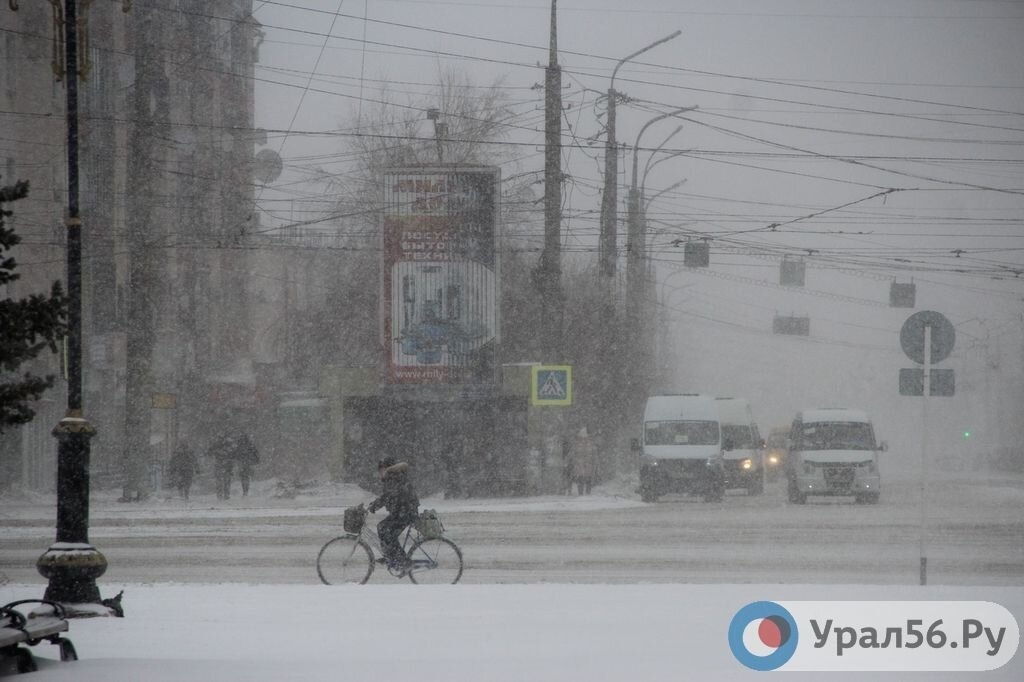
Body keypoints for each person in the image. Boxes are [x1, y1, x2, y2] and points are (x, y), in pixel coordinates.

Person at [367, 457, 420, 573]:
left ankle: (404, 562)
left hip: (405, 512)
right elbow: (389, 495)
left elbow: (388, 496)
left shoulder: (392, 477)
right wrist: (375, 504)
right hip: (403, 511)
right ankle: (390, 556)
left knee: (387, 532)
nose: (379, 473)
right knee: (383, 528)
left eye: (380, 470)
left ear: (385, 469)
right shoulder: (394, 476)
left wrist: (375, 506)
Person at [570, 426, 597, 495]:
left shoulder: (590, 443)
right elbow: (573, 453)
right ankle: (581, 494)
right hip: (580, 464)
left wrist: (595, 462)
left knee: (588, 478)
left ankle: (587, 493)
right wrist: (574, 461)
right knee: (581, 479)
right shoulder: (577, 444)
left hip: (587, 464)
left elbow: (594, 454)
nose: (583, 438)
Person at [208, 432, 235, 500]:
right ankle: (226, 494)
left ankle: (220, 494)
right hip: (226, 464)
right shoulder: (228, 444)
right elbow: (233, 454)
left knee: (220, 480)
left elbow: (209, 452)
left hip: (220, 463)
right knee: (226, 480)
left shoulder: (216, 444)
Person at [234, 433, 260, 497]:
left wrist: (236, 460)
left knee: (243, 477)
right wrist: (256, 461)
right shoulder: (250, 445)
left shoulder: (239, 445)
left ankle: (244, 490)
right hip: (248, 463)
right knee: (247, 477)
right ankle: (246, 491)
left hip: (242, 463)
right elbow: (256, 453)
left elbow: (236, 454)